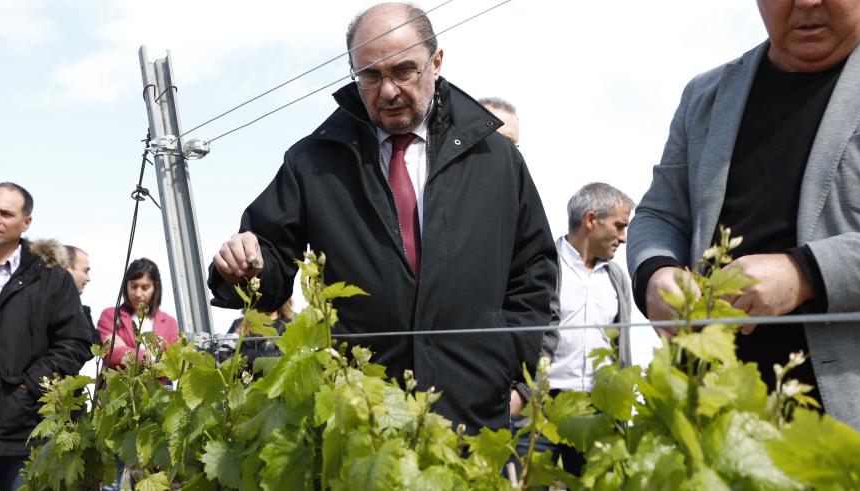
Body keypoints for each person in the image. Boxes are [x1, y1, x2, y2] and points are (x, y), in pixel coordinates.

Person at [627, 0, 860, 482]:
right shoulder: (707, 95)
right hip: (719, 433)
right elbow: (661, 211)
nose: (807, 2)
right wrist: (656, 272)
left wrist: (804, 273)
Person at [208, 2, 556, 433]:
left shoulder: (495, 159)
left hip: (473, 415)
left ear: (437, 62)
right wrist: (246, 265)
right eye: (370, 76)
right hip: (361, 420)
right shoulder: (314, 163)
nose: (387, 90)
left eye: (404, 70)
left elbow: (533, 274)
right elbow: (269, 258)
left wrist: (514, 373)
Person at [514, 183, 635, 475]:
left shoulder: (616, 277)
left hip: (595, 409)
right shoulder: (542, 267)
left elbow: (621, 346)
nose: (623, 238)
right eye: (619, 226)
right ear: (591, 220)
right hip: (540, 406)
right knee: (525, 482)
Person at [0, 182, 93, 491]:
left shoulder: (51, 277)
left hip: (21, 422)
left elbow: (75, 342)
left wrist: (29, 385)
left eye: (6, 213)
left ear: (26, 222)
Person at [97, 258, 180, 370]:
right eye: (133, 286)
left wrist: (124, 350)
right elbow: (109, 356)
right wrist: (154, 357)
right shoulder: (111, 315)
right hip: (118, 386)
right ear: (126, 285)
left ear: (155, 288)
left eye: (145, 288)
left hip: (157, 387)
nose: (138, 293)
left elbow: (172, 363)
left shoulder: (169, 323)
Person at [215, 298, 294, 372]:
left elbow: (286, 356)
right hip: (245, 383)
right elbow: (224, 356)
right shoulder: (239, 324)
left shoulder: (289, 325)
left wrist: (245, 355)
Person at [64, 245, 97, 343]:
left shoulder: (82, 311)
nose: (88, 278)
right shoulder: (38, 307)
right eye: (85, 271)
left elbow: (95, 344)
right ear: (67, 268)